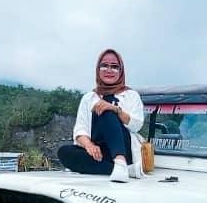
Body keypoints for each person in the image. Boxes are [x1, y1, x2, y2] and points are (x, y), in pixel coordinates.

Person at [57, 49, 144, 182]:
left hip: (124, 149)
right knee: (64, 152)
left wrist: (116, 110)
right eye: (104, 65)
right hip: (99, 150)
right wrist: (89, 146)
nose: (109, 70)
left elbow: (137, 125)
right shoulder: (88, 98)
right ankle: (125, 169)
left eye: (114, 67)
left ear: (121, 71)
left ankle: (120, 162)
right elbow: (80, 130)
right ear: (98, 69)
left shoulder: (131, 95)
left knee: (105, 108)